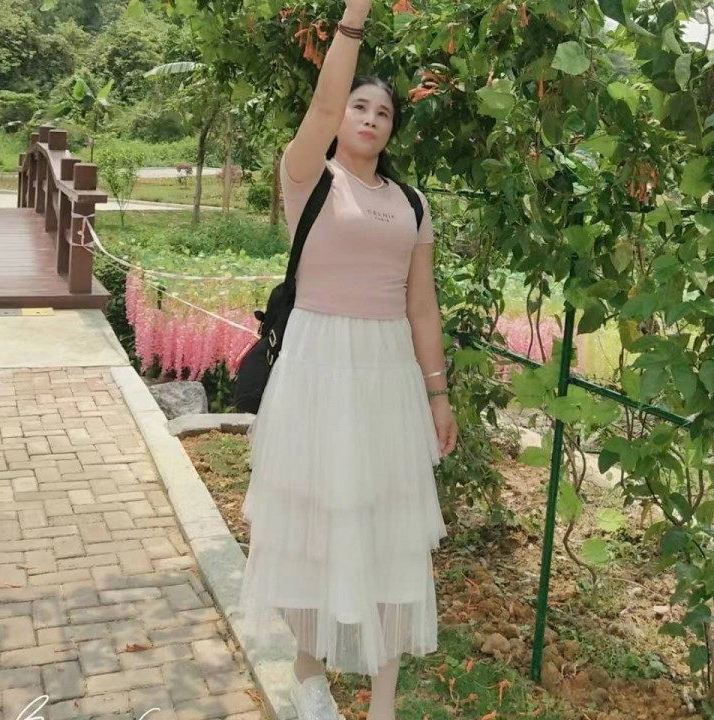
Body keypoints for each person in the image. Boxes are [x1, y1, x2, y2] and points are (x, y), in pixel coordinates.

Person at [238, 1, 458, 718]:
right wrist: (355, 14)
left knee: (391, 534)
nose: (368, 117)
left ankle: (383, 702)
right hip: (316, 367)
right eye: (360, 106)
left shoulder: (412, 203)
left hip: (388, 376)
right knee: (313, 530)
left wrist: (438, 395)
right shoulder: (309, 176)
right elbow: (324, 103)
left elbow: (421, 307)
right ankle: (310, 676)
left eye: (383, 112)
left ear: (393, 130)